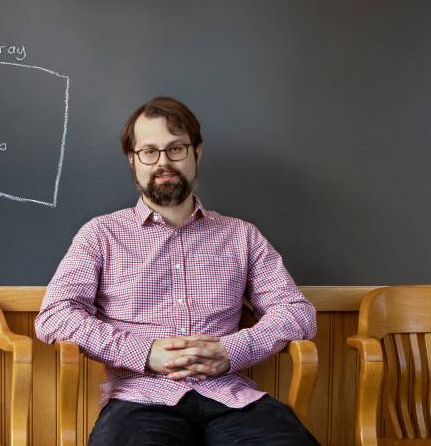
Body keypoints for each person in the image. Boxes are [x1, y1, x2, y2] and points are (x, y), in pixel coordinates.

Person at [35, 97, 318, 445]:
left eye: (176, 149)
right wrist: (144, 353)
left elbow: (297, 313)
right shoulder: (101, 234)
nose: (163, 162)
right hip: (139, 401)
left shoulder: (241, 235)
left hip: (231, 399)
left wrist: (233, 351)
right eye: (149, 151)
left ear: (196, 153)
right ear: (133, 160)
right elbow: (55, 316)